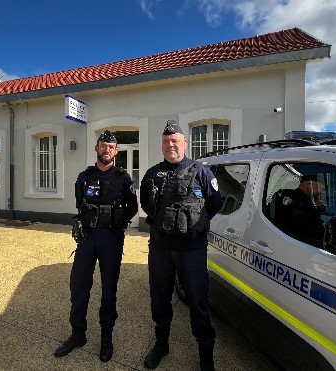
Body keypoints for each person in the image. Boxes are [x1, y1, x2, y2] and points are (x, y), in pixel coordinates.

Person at [139, 120, 222, 371]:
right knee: (159, 299)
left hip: (192, 250)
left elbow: (215, 204)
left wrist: (192, 225)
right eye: (166, 141)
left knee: (198, 302)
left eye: (175, 140)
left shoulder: (202, 172)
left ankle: (206, 355)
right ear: (162, 145)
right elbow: (145, 204)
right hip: (161, 249)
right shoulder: (153, 173)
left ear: (185, 143)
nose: (170, 145)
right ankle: (161, 345)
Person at [54, 130, 138, 363]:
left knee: (109, 289)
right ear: (96, 148)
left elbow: (132, 207)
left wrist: (115, 222)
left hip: (111, 238)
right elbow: (80, 203)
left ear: (116, 151)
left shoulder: (124, 178)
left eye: (111, 147)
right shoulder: (84, 177)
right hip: (88, 238)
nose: (107, 150)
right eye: (103, 145)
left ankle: (106, 338)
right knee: (79, 285)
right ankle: (78, 334)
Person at [273, 175, 326, 243]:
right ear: (309, 186)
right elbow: (306, 228)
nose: (320, 192)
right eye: (320, 189)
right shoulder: (298, 203)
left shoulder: (303, 201)